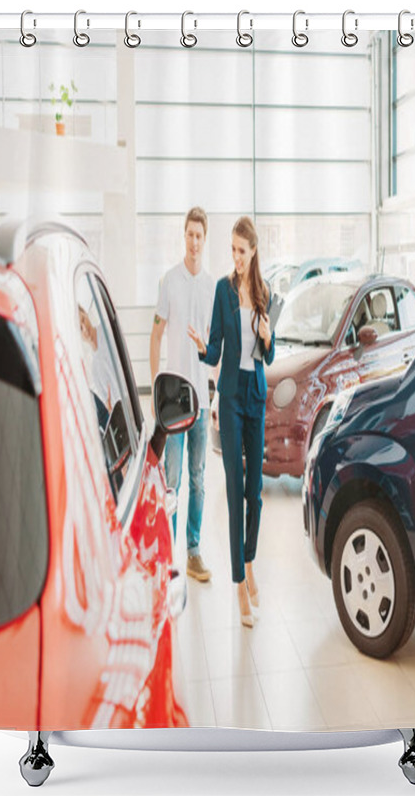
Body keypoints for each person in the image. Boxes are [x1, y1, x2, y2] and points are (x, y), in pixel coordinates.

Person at [187, 217, 275, 628]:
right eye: (233, 250)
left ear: (254, 251)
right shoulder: (223, 290)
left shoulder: (263, 292)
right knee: (235, 489)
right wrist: (205, 349)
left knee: (255, 493)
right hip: (231, 394)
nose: (236, 257)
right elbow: (217, 348)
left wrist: (269, 337)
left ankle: (250, 560)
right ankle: (239, 582)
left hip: (256, 393)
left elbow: (268, 357)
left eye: (242, 250)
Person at [150, 207, 215, 582]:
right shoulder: (168, 282)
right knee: (171, 480)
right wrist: (156, 387)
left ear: (205, 240)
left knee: (199, 478)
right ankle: (168, 555)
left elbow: (213, 345)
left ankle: (192, 552)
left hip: (202, 402)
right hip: (174, 402)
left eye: (199, 236)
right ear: (183, 237)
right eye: (189, 235)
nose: (194, 242)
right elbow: (156, 334)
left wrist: (216, 391)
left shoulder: (211, 286)